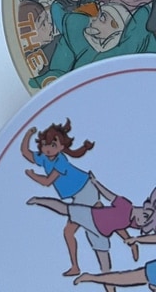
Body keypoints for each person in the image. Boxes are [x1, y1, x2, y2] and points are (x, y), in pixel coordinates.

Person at [28, 174, 156, 291]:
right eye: (145, 216)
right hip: (91, 217)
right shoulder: (126, 205)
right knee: (65, 209)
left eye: (144, 223)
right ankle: (38, 200)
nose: (141, 222)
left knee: (106, 267)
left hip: (101, 235)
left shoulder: (133, 223)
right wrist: (96, 183)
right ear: (144, 207)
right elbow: (109, 195)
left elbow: (121, 229)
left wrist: (134, 242)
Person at [21, 120, 106, 275]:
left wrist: (32, 175)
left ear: (61, 147)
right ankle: (77, 266)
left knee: (73, 230)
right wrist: (28, 134)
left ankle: (77, 267)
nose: (48, 149)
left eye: (53, 145)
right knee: (94, 221)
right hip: (80, 194)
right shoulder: (44, 157)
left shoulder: (61, 160)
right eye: (45, 145)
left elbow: (47, 182)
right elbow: (26, 153)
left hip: (85, 191)